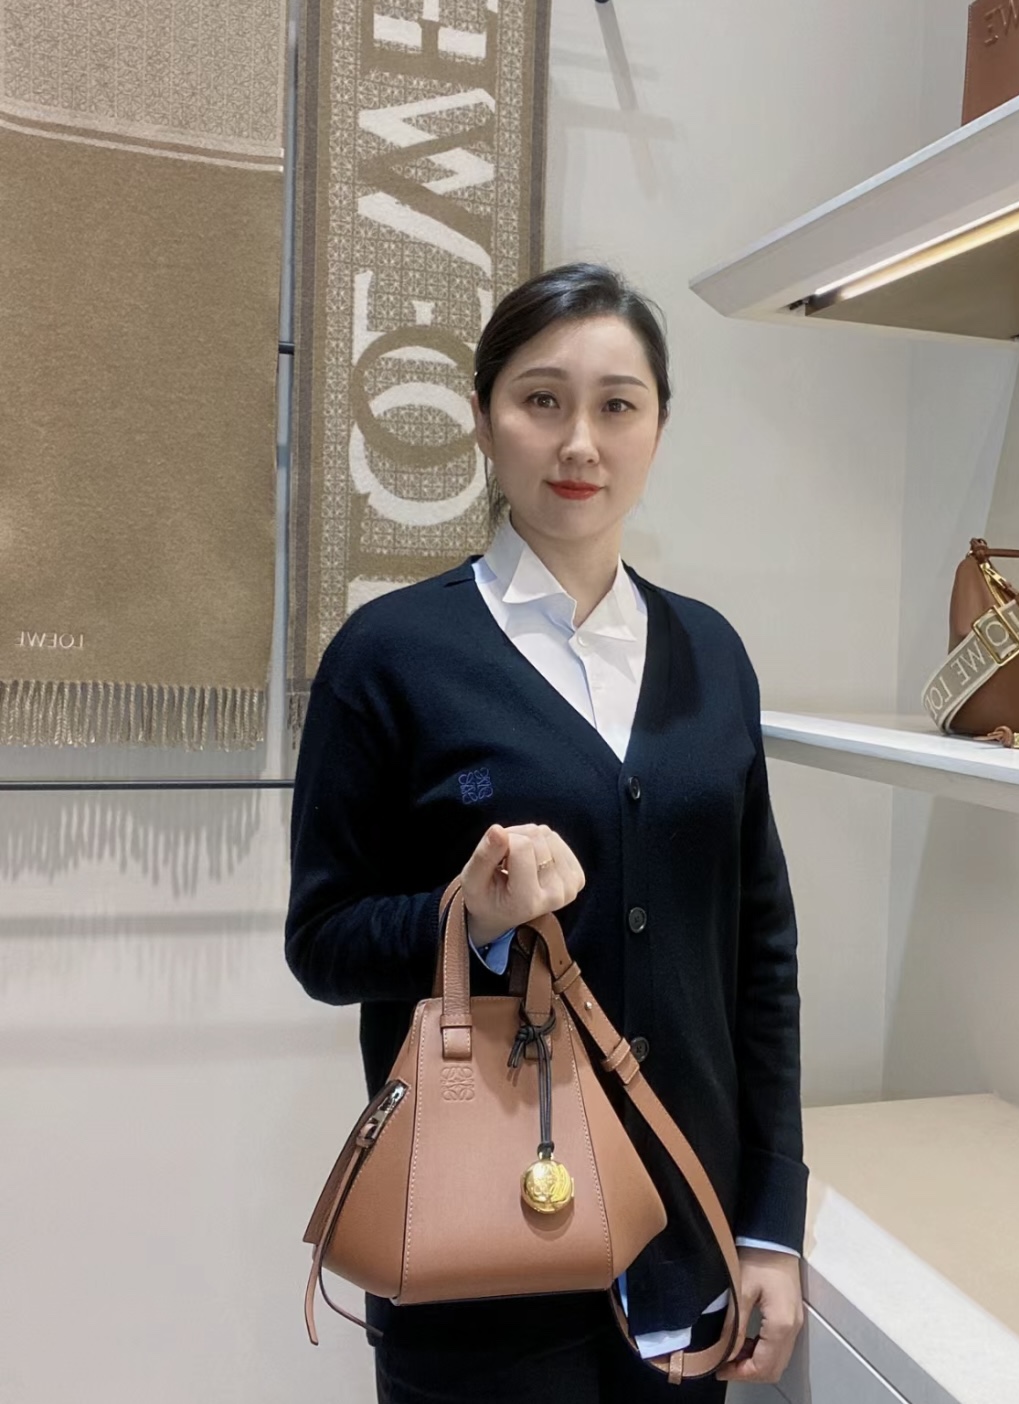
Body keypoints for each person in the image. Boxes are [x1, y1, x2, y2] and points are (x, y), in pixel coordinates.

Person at [285, 263, 807, 1402]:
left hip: (687, 1238)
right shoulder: (390, 656)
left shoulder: (713, 657)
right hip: (481, 1262)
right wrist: (466, 917)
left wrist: (772, 1224)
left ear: (659, 426)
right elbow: (321, 943)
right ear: (483, 420)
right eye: (541, 400)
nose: (580, 442)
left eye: (618, 405)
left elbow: (758, 955)